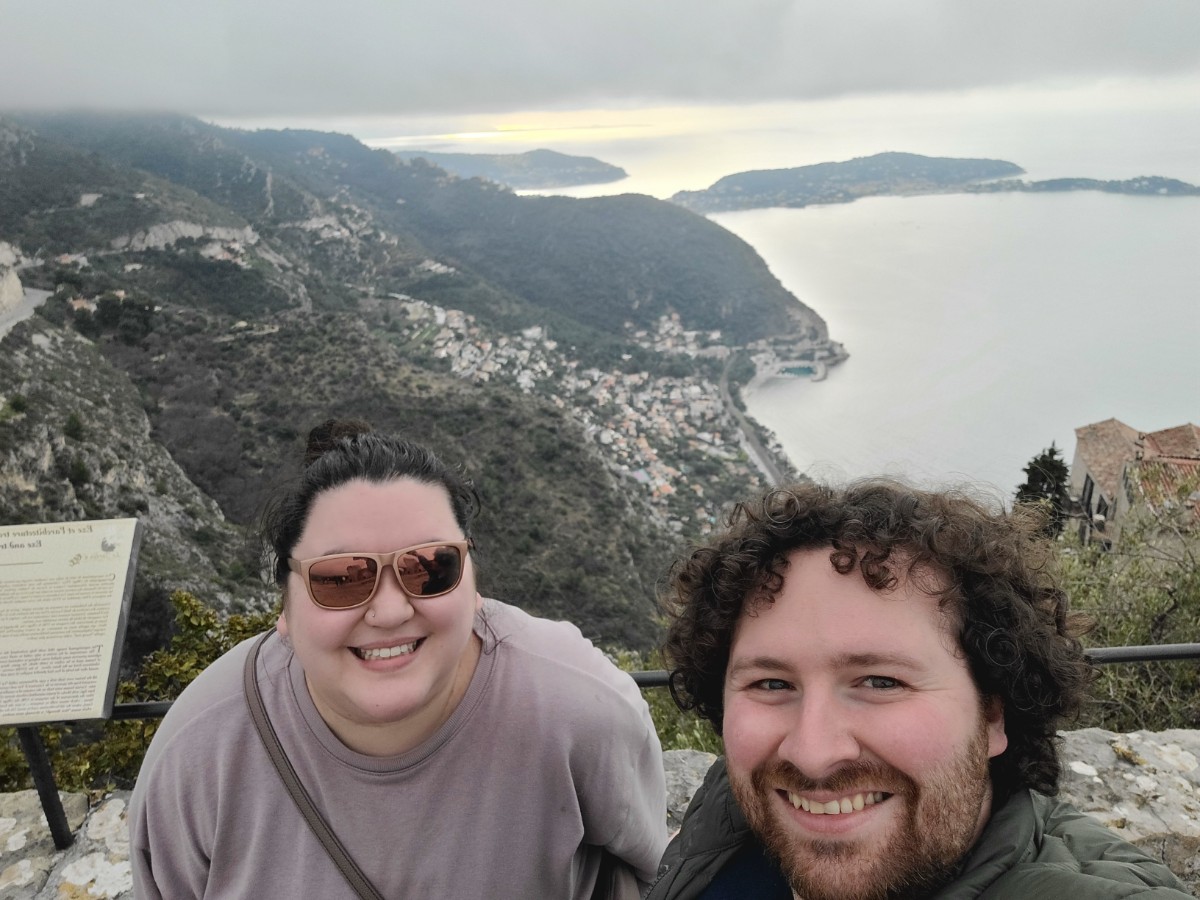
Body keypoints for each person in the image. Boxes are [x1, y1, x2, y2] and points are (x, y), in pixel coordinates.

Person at [129, 420, 667, 899]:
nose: (389, 611)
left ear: (473, 583)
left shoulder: (578, 708)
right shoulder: (199, 758)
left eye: (430, 567)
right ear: (285, 609)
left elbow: (656, 873)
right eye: (341, 578)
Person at [646, 480, 1191, 900]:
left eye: (881, 681)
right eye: (771, 683)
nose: (810, 753)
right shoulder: (733, 809)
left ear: (994, 713)